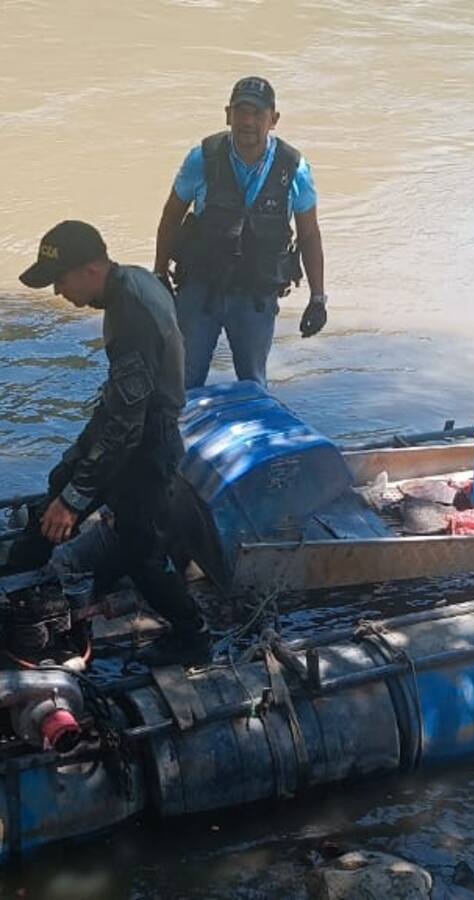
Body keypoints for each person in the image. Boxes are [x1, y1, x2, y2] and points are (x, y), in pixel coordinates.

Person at [13, 220, 211, 666]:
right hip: (126, 421)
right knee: (60, 480)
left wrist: (77, 498)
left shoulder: (132, 316)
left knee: (140, 551)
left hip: (147, 442)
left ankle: (194, 636)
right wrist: (72, 477)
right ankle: (26, 581)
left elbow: (128, 427)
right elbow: (120, 406)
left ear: (89, 269)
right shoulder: (133, 281)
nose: (58, 292)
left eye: (60, 281)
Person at [153, 76, 327, 389]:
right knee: (182, 381)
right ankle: (174, 435)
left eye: (257, 114)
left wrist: (317, 297)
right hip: (200, 289)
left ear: (273, 120)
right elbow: (171, 215)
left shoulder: (294, 168)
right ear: (227, 114)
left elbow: (310, 234)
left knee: (253, 383)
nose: (248, 121)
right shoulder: (202, 158)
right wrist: (159, 274)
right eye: (241, 111)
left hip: (256, 295)